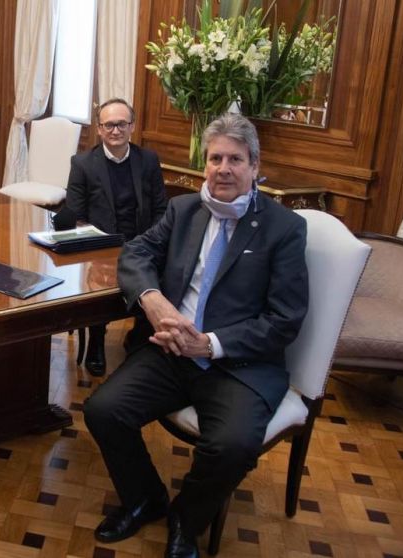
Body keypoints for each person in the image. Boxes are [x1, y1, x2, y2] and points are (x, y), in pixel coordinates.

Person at [83, 114, 308, 557]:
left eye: (235, 160)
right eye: (215, 159)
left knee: (232, 447)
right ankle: (145, 499)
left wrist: (209, 344)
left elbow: (284, 319)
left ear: (255, 165)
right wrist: (153, 300)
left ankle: (186, 520)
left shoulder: (283, 228)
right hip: (171, 352)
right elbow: (136, 252)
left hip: (238, 364)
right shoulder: (185, 210)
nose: (223, 169)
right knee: (103, 410)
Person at [65, 98, 167, 376]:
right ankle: (97, 339)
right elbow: (76, 215)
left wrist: (151, 242)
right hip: (101, 247)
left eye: (122, 124)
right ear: (99, 129)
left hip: (142, 242)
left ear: (132, 126)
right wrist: (99, 246)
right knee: (97, 283)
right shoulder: (83, 163)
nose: (115, 131)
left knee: (164, 274)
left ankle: (139, 337)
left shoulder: (148, 160)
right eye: (109, 125)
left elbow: (161, 209)